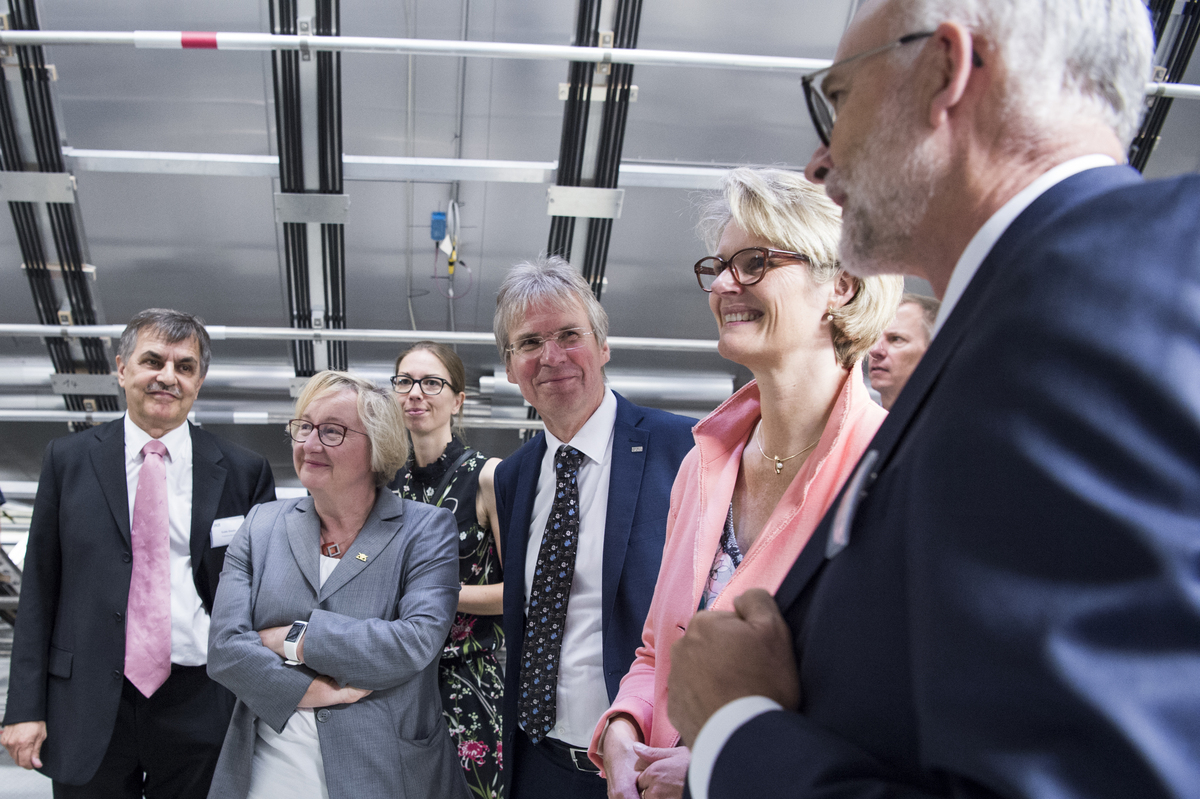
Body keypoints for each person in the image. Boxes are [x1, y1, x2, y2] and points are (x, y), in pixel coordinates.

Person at [667, 1, 1200, 798]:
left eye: (838, 97)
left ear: (945, 71)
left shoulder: (1090, 304)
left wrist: (741, 731)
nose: (819, 158)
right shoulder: (1025, 317)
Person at [589, 167, 901, 799]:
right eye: (722, 264)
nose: (726, 284)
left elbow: (885, 709)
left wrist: (716, 765)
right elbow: (660, 651)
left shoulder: (889, 470)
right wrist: (624, 725)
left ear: (840, 284)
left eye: (755, 262)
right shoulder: (702, 465)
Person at [1, 309, 276, 797]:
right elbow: (40, 591)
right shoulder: (67, 461)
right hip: (85, 693)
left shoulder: (242, 471)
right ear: (122, 368)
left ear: (200, 380)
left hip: (201, 695)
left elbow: (262, 593)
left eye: (185, 366)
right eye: (153, 361)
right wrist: (24, 707)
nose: (167, 377)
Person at [205, 370, 467, 799]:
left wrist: (292, 640)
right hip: (268, 773)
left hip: (385, 770)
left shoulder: (425, 530)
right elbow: (225, 649)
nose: (309, 444)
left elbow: (413, 643)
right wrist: (309, 691)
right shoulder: (261, 525)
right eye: (304, 427)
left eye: (331, 431)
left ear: (377, 446)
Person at [491, 256, 695, 799]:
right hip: (539, 761)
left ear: (603, 347)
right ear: (510, 367)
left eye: (568, 335)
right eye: (529, 343)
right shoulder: (513, 477)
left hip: (645, 764)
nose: (551, 356)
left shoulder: (685, 449)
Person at [389, 341, 506, 798]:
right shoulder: (385, 481)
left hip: (468, 677)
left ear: (458, 399)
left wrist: (439, 594)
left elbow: (520, 590)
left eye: (432, 382)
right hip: (398, 677)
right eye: (405, 382)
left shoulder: (487, 476)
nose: (416, 393)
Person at [866, 292, 939, 409]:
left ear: (933, 351)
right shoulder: (852, 425)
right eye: (874, 338)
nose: (875, 351)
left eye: (896, 339)